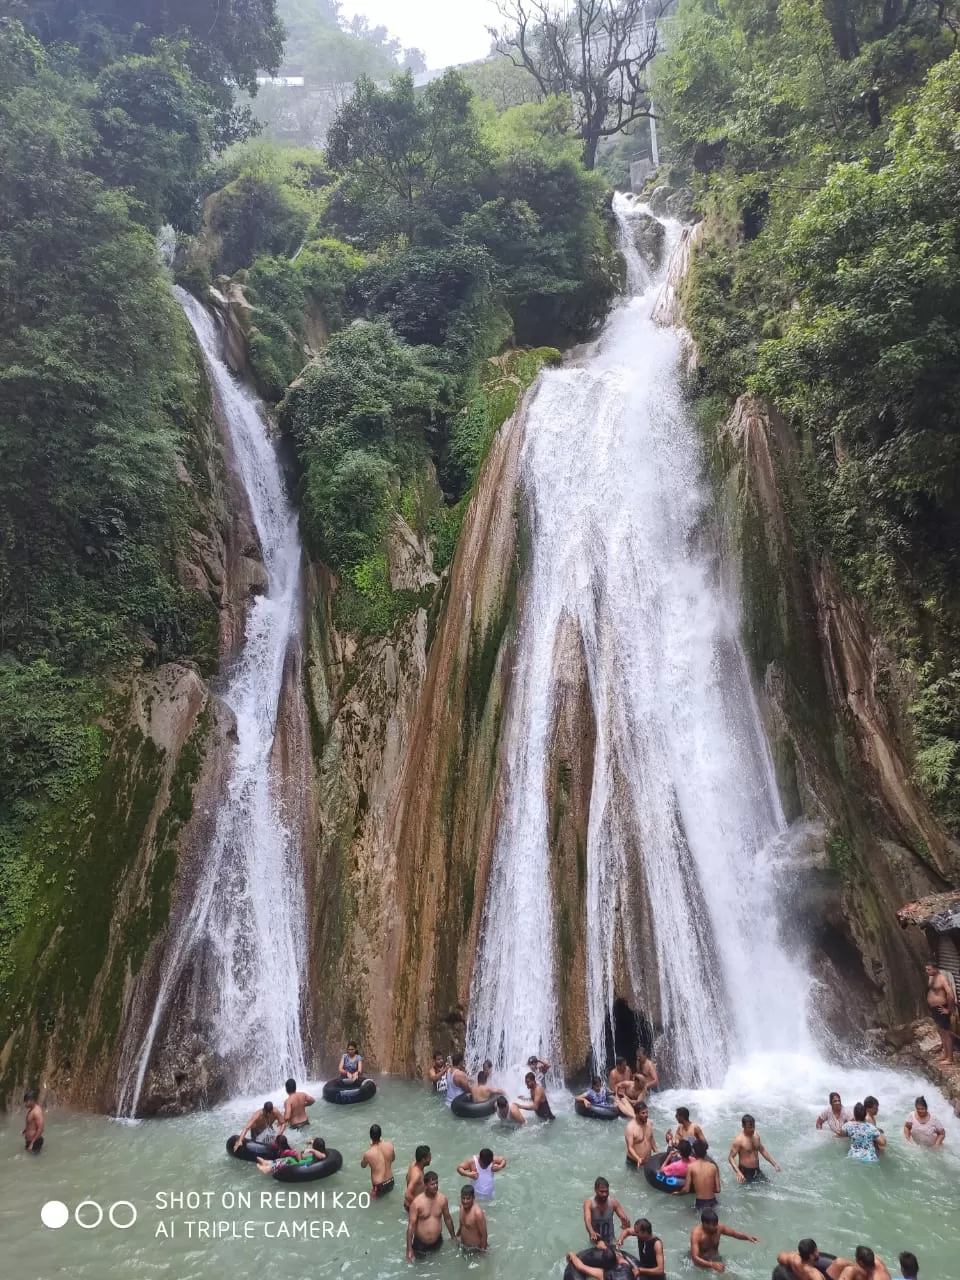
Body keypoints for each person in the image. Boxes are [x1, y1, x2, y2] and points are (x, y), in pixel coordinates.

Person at [405, 1170, 456, 1260]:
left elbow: (447, 1219)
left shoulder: (442, 1199)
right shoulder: (417, 1203)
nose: (435, 1186)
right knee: (421, 1271)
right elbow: (411, 1226)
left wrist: (453, 1236)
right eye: (432, 1184)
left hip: (437, 1242)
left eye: (436, 1183)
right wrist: (409, 1249)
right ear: (425, 1185)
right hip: (420, 1245)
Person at [691, 1208, 759, 1272]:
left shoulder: (719, 1227)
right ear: (705, 1224)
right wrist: (711, 1265)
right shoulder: (696, 1234)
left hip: (716, 1260)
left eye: (716, 1224)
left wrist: (747, 1237)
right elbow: (695, 1258)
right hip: (701, 1265)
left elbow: (734, 1233)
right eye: (714, 1225)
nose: (716, 1227)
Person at [729, 1114, 780, 1184]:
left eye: (753, 1126)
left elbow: (762, 1149)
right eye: (749, 1127)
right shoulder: (739, 1140)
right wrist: (738, 1172)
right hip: (745, 1172)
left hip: (757, 1170)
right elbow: (731, 1157)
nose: (752, 1129)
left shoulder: (756, 1135)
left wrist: (774, 1164)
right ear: (743, 1126)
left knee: (768, 1187)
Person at [584, 1176, 631, 1246]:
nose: (604, 1194)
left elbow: (625, 1220)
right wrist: (591, 1232)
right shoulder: (589, 1203)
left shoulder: (613, 1202)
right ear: (595, 1190)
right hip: (595, 1242)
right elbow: (587, 1220)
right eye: (601, 1191)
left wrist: (625, 1223)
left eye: (606, 1191)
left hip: (611, 1241)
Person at [924, 961, 955, 1066]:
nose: (927, 971)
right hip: (934, 1009)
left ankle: (950, 1058)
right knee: (941, 1032)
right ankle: (945, 1054)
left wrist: (949, 1010)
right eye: (926, 969)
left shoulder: (942, 979)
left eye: (929, 969)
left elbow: (951, 995)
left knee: (946, 1033)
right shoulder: (931, 977)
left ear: (935, 968)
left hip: (942, 1008)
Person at [679, 1140, 722, 1209]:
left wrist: (678, 1194)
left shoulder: (691, 1167)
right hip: (713, 1202)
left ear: (694, 1153)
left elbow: (686, 1189)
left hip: (700, 1203)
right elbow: (718, 1190)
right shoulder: (713, 1166)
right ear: (705, 1152)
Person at [778, 1240, 851, 1280]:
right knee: (845, 1267)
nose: (818, 1252)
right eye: (816, 1250)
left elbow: (779, 1256)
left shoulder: (793, 1260)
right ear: (811, 1256)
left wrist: (798, 1254)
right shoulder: (815, 1275)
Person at [256, 1135, 327, 1175]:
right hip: (308, 1161)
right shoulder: (320, 1149)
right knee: (286, 1159)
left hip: (307, 1164)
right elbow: (316, 1146)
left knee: (289, 1159)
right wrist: (311, 1142)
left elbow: (321, 1156)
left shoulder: (322, 1155)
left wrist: (311, 1150)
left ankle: (268, 1169)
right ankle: (268, 1162)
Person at [360, 1123, 395, 1198]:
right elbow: (393, 1159)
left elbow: (363, 1165)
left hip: (379, 1187)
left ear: (370, 1136)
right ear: (380, 1135)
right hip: (391, 1181)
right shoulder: (390, 1145)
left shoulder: (368, 1153)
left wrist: (371, 1148)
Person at [566, 1249, 644, 1280]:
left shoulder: (604, 1275)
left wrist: (572, 1254)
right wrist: (605, 1247)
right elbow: (618, 1255)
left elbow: (580, 1267)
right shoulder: (625, 1265)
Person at [625, 1102, 657, 1167]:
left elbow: (651, 1137)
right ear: (636, 1114)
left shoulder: (649, 1123)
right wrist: (638, 1158)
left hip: (648, 1159)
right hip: (634, 1162)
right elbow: (630, 1147)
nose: (646, 1115)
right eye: (643, 1113)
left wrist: (656, 1150)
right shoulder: (630, 1128)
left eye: (647, 1112)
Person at [457, 1185, 488, 1253]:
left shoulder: (477, 1213)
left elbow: (484, 1235)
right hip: (463, 1246)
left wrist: (483, 1251)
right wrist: (456, 1237)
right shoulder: (461, 1207)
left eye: (468, 1199)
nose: (465, 1201)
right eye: (463, 1198)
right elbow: (461, 1226)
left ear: (473, 1198)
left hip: (475, 1250)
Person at [404, 1145, 431, 1210]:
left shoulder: (414, 1164)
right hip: (414, 1207)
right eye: (429, 1157)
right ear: (423, 1159)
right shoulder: (417, 1174)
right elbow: (407, 1195)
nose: (430, 1158)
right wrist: (420, 1206)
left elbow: (407, 1177)